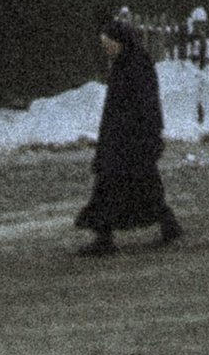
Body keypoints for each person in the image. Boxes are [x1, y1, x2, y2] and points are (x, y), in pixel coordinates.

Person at [73, 13, 184, 254]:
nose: (107, 50)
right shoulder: (124, 64)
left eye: (109, 44)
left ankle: (108, 238)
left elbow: (147, 105)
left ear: (120, 41)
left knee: (132, 185)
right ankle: (161, 227)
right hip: (119, 138)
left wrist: (147, 136)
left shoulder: (137, 65)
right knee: (130, 185)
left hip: (132, 139)